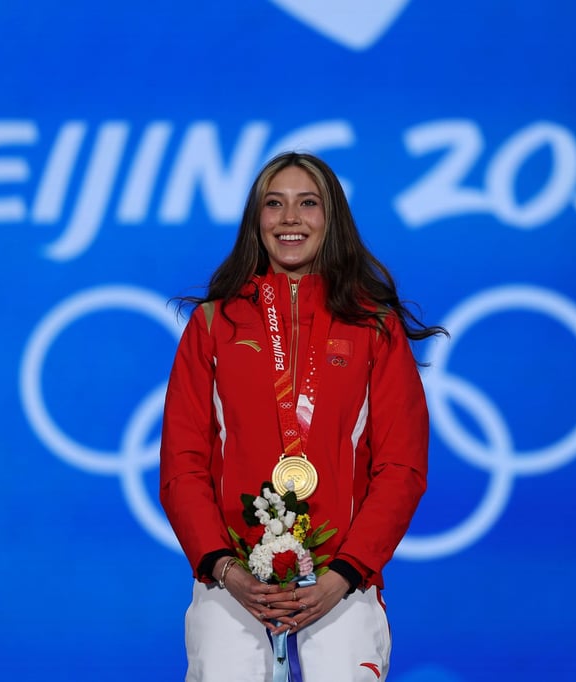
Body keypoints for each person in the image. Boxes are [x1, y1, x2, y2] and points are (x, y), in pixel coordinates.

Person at [159, 152, 445, 681]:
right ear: (256, 221)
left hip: (341, 583)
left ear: (331, 217)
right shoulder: (213, 324)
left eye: (307, 203)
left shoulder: (374, 328)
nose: (290, 218)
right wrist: (224, 568)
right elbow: (183, 464)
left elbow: (402, 468)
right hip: (233, 583)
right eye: (275, 204)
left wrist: (346, 573)